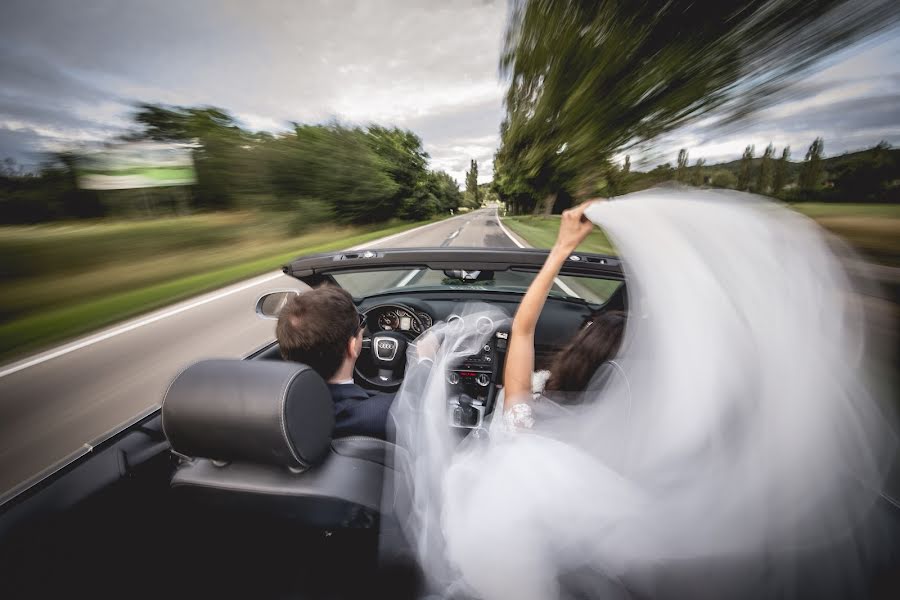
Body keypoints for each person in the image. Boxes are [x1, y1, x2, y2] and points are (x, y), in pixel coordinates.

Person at [502, 199, 626, 428]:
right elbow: (522, 330)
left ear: (577, 361)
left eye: (589, 330)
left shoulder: (525, 422)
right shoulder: (633, 441)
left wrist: (562, 247)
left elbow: (522, 329)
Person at [276, 285, 396, 439]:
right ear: (353, 347)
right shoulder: (382, 414)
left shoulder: (278, 408)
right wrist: (425, 360)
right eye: (360, 324)